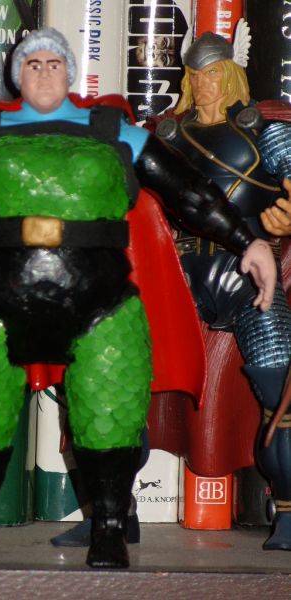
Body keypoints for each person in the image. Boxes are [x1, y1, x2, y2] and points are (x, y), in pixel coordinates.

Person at [0, 28, 276, 569]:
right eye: (32, 63)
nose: (44, 72)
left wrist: (247, 241)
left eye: (54, 63)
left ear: (70, 72)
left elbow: (191, 193)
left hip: (100, 301)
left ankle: (109, 530)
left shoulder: (116, 133)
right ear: (17, 74)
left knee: (110, 410)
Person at [153, 31, 291, 550]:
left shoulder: (264, 131)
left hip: (250, 276)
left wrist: (287, 219)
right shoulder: (168, 135)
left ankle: (288, 515)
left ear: (231, 73)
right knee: (123, 382)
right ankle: (113, 514)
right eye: (196, 75)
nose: (205, 84)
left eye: (213, 73)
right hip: (179, 276)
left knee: (281, 396)